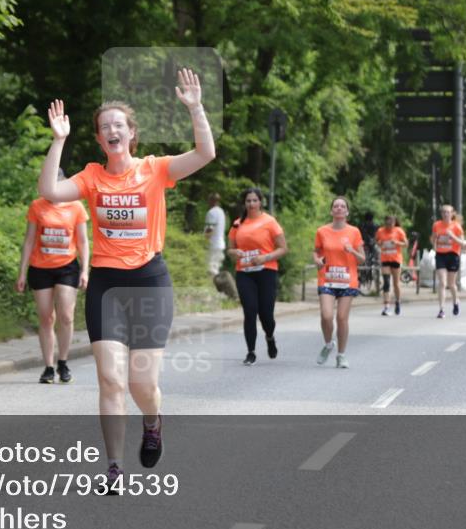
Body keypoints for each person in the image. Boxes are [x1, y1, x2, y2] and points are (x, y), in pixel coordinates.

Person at [37, 68, 215, 492]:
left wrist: (195, 108)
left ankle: (152, 421)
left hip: (149, 283)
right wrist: (58, 140)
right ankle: (114, 468)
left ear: (131, 134)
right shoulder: (91, 177)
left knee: (142, 384)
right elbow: (49, 192)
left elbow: (205, 153)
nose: (112, 131)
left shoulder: (155, 169)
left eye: (119, 125)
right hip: (107, 287)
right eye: (105, 128)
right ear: (100, 140)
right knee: (111, 380)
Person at [17, 170, 90, 384]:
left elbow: (83, 241)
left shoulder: (76, 206)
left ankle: (63, 362)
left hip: (67, 267)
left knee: (66, 316)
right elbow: (29, 241)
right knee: (46, 317)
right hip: (40, 268)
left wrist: (85, 270)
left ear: (62, 184)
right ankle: (48, 367)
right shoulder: (37, 206)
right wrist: (21, 272)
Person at [227, 188, 287, 365]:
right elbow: (230, 249)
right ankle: (251, 352)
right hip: (244, 273)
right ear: (244, 203)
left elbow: (283, 248)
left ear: (260, 202)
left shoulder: (270, 222)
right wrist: (234, 252)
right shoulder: (237, 224)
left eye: (254, 200)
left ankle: (270, 336)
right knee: (250, 310)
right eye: (248, 201)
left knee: (266, 315)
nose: (251, 204)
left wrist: (265, 258)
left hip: (266, 271)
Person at [314, 196, 365, 369]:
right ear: (331, 211)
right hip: (327, 279)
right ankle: (329, 344)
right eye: (336, 206)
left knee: (342, 318)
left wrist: (352, 251)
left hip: (347, 281)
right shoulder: (322, 231)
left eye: (342, 206)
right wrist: (317, 260)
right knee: (326, 316)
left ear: (347, 212)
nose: (339, 208)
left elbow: (362, 259)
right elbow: (316, 252)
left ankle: (341, 355)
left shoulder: (354, 232)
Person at [431, 204, 466, 318]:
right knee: (442, 282)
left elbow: (463, 244)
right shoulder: (436, 225)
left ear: (452, 214)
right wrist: (435, 245)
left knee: (451, 284)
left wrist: (452, 236)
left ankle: (455, 302)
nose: (446, 214)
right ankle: (441, 309)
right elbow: (433, 239)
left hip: (453, 255)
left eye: (448, 212)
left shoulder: (457, 226)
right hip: (440, 255)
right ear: (441, 214)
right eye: (444, 212)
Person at [376, 215, 408, 316]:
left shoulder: (399, 231)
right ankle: (386, 306)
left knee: (396, 283)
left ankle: (397, 301)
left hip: (396, 259)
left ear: (394, 223)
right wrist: (380, 243)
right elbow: (377, 242)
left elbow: (406, 244)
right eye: (387, 224)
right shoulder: (380, 231)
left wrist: (397, 242)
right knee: (386, 282)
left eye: (391, 224)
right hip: (385, 258)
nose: (389, 226)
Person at [204, 193, 228, 275]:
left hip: (213, 244)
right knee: (215, 268)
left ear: (212, 200)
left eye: (209, 200)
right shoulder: (221, 212)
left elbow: (210, 229)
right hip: (220, 244)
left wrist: (204, 241)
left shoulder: (212, 212)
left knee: (211, 269)